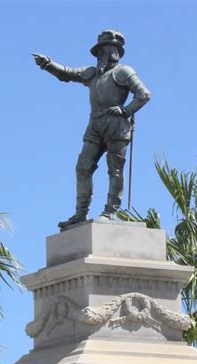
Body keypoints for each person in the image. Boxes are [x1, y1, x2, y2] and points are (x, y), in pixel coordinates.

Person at [33, 29, 151, 229]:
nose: (101, 54)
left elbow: (144, 94)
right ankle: (81, 213)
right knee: (83, 167)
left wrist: (126, 110)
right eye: (99, 51)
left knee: (114, 169)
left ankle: (111, 210)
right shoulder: (92, 73)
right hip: (95, 124)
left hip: (116, 124)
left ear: (114, 51)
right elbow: (67, 73)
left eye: (104, 50)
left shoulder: (124, 71)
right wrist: (48, 64)